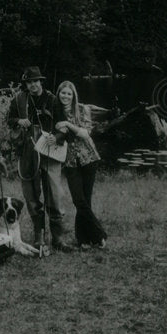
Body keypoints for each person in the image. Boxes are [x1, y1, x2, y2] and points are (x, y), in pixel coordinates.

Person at [5, 66, 70, 253]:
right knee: (31, 195)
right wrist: (18, 121)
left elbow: (64, 127)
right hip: (27, 151)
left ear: (41, 81)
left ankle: (58, 238)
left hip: (50, 152)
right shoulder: (19, 99)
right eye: (29, 82)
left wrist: (56, 137)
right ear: (25, 83)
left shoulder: (53, 100)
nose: (32, 85)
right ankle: (38, 237)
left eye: (35, 81)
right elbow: (9, 119)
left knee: (55, 194)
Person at [54, 80, 108, 249]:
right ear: (58, 94)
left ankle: (84, 240)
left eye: (69, 93)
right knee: (78, 200)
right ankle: (100, 234)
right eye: (63, 93)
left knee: (86, 200)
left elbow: (85, 133)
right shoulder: (56, 113)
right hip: (70, 161)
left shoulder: (83, 109)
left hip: (88, 158)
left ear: (74, 95)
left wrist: (68, 124)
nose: (66, 96)